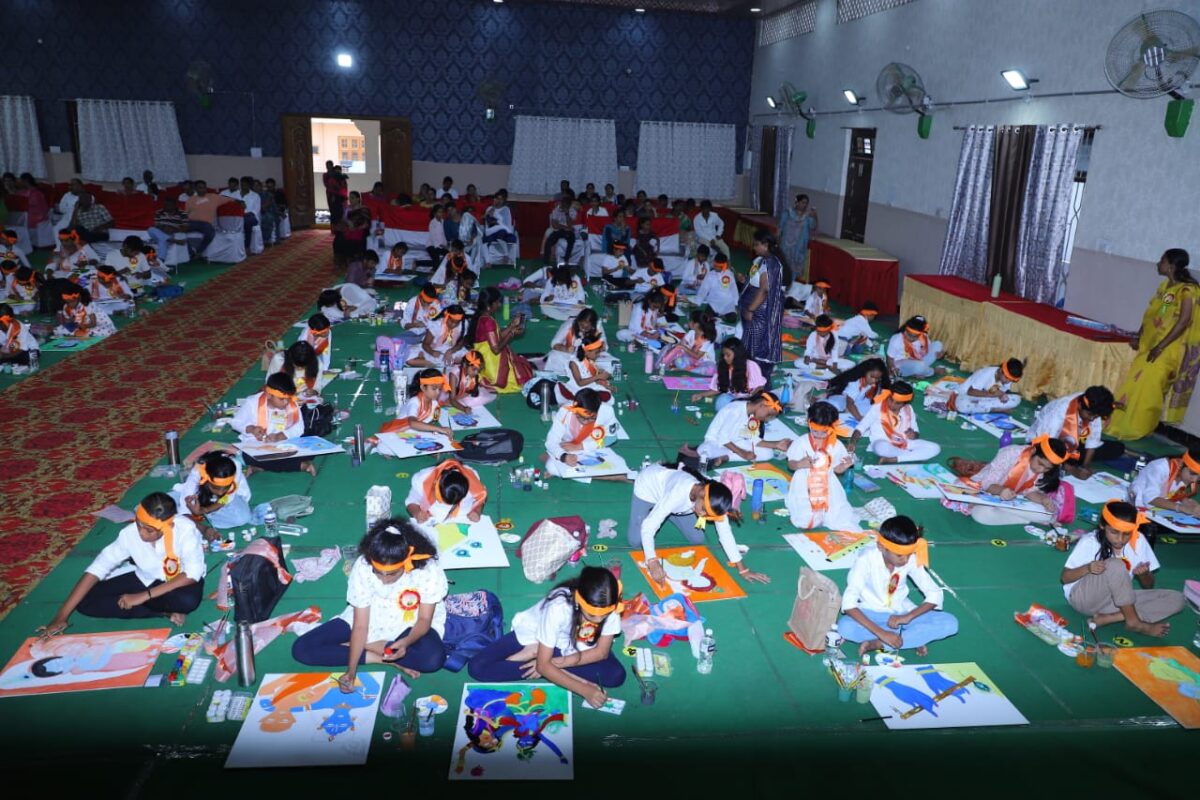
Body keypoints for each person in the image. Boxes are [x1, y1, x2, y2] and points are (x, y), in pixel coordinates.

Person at [293, 518, 448, 683]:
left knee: (433, 660)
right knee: (302, 649)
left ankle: (363, 645)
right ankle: (381, 657)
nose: (384, 579)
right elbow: (360, 625)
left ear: (406, 562)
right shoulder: (363, 566)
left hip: (411, 621)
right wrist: (351, 672)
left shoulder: (427, 569)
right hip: (373, 615)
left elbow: (424, 619)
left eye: (391, 573)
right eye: (378, 572)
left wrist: (406, 642)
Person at [37, 493, 206, 633]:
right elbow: (98, 567)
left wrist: (143, 596)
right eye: (139, 525)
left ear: (167, 526)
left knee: (187, 601)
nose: (142, 533)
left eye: (149, 530)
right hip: (146, 578)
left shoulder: (185, 529)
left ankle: (155, 605)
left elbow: (192, 574)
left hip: (179, 583)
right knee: (84, 602)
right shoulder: (129, 534)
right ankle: (164, 612)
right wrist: (61, 617)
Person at [467, 566, 626, 707]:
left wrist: (553, 664)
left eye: (604, 616)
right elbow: (543, 666)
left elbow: (601, 652)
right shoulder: (558, 606)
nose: (598, 620)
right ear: (578, 601)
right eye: (591, 615)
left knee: (616, 676)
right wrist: (583, 689)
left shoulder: (608, 604)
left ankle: (546, 662)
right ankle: (539, 654)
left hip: (572, 648)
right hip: (536, 637)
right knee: (478, 668)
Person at [1109, 249, 1199, 440]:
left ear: (1171, 266)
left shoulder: (1187, 291)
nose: (1158, 264)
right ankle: (1119, 424)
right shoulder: (1166, 287)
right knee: (1134, 385)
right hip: (1150, 346)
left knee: (1148, 391)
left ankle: (1138, 429)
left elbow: (1183, 321)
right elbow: (1156, 315)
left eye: (1162, 261)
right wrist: (1140, 336)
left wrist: (1160, 347)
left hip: (1168, 349)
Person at [837, 515, 958, 656]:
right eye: (900, 555)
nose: (905, 559)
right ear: (881, 547)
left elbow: (935, 593)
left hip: (902, 613)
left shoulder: (910, 559)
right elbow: (849, 603)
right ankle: (908, 638)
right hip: (871, 613)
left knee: (950, 623)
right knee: (845, 627)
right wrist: (881, 633)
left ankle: (879, 644)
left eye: (909, 554)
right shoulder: (865, 560)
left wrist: (908, 617)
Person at [628, 464, 769, 584]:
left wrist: (743, 569)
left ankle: (664, 512)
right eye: (703, 511)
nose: (702, 516)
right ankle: (661, 512)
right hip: (647, 488)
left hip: (674, 503)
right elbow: (648, 527)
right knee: (636, 541)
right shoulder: (677, 494)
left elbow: (725, 533)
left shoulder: (712, 499)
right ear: (701, 495)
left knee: (697, 538)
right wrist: (652, 561)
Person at [1061, 501, 1184, 637]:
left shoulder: (1139, 541)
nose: (1120, 539)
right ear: (1102, 526)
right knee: (1115, 565)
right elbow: (1065, 578)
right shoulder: (1090, 542)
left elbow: (1148, 586)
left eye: (1126, 534)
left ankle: (1112, 617)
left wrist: (1144, 574)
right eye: (1114, 532)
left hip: (1115, 602)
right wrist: (1088, 568)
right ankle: (1134, 622)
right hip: (1084, 599)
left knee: (1178, 599)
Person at [786, 402, 859, 531]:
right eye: (815, 431)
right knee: (805, 522)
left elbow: (837, 470)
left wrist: (844, 466)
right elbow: (790, 464)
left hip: (828, 486)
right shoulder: (801, 442)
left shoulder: (836, 445)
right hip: (804, 486)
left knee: (838, 519)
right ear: (809, 423)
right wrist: (799, 464)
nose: (819, 435)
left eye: (824, 432)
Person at [966, 435, 1069, 526]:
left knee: (1046, 515)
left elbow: (1029, 492)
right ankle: (1025, 519)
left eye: (1047, 468)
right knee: (980, 514)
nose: (1041, 470)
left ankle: (1007, 513)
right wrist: (1001, 491)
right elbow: (987, 484)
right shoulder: (1010, 453)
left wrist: (1043, 499)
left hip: (1012, 500)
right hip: (987, 491)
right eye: (1040, 463)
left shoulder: (1042, 470)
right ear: (1033, 451)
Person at [228, 372, 317, 476]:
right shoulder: (252, 402)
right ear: (269, 394)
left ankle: (259, 466)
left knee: (311, 441)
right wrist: (251, 429)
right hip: (257, 446)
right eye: (281, 399)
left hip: (284, 444)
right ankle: (301, 465)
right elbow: (236, 422)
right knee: (249, 457)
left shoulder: (291, 405)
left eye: (288, 398)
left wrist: (281, 435)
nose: (286, 403)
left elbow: (299, 427)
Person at [1028, 386, 1118, 476]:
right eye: (1090, 415)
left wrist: (1085, 466)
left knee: (1117, 448)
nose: (1092, 418)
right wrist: (1072, 470)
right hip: (1045, 443)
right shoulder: (1058, 411)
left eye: (1096, 416)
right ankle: (1065, 465)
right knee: (1049, 463)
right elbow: (1047, 445)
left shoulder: (1093, 408)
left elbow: (1093, 441)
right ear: (1080, 405)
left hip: (1072, 442)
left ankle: (1068, 463)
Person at [690, 389, 791, 465]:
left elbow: (753, 439)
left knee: (768, 453)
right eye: (768, 415)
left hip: (736, 443)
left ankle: (726, 457)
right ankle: (725, 455)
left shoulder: (754, 417)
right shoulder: (735, 410)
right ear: (762, 405)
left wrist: (776, 444)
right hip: (717, 442)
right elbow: (722, 438)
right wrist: (743, 453)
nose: (767, 419)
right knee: (705, 451)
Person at [170, 451, 252, 540]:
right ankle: (205, 513)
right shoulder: (197, 472)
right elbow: (184, 509)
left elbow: (227, 497)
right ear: (206, 480)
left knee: (242, 518)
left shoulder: (235, 467)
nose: (220, 493)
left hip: (229, 498)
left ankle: (206, 513)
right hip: (201, 493)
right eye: (215, 488)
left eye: (226, 487)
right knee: (167, 505)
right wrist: (203, 529)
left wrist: (205, 510)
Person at [850, 382, 940, 464]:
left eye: (897, 403)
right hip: (882, 443)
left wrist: (914, 435)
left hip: (905, 442)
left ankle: (893, 459)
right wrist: (852, 442)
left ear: (904, 404)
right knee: (881, 448)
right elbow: (861, 426)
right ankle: (914, 455)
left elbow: (916, 432)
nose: (892, 404)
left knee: (935, 448)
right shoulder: (878, 407)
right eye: (890, 400)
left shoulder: (908, 409)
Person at [740, 230, 789, 381]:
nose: (754, 247)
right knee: (752, 343)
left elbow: (764, 290)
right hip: (757, 304)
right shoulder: (762, 260)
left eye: (756, 244)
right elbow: (757, 282)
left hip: (761, 308)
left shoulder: (771, 263)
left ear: (766, 245)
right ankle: (753, 379)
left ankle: (760, 381)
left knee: (758, 345)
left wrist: (751, 309)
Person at [545, 388, 623, 477]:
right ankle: (607, 477)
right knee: (551, 466)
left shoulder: (607, 411)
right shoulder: (565, 411)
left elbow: (611, 438)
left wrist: (582, 446)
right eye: (581, 417)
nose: (585, 422)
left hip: (594, 448)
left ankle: (570, 474)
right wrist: (564, 456)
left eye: (592, 418)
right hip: (568, 449)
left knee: (618, 464)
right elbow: (551, 441)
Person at [469, 287, 532, 392]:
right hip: (491, 361)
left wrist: (511, 326)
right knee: (520, 378)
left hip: (486, 355)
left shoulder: (484, 316)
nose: (499, 305)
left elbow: (496, 336)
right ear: (491, 304)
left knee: (523, 369)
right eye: (498, 302)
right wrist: (511, 333)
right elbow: (496, 349)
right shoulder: (488, 321)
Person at [690, 337, 766, 411]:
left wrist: (750, 399)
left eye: (728, 355)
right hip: (733, 399)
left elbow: (760, 387)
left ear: (737, 354)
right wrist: (701, 395)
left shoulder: (751, 366)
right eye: (723, 355)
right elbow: (719, 388)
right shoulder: (724, 367)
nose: (725, 358)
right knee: (721, 402)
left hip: (750, 400)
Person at [405, 459, 487, 523]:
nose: (452, 506)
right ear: (437, 488)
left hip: (464, 519)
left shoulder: (473, 480)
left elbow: (481, 498)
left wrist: (477, 511)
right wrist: (417, 513)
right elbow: (412, 500)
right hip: (433, 518)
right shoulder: (423, 480)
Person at [1129, 445, 1200, 515]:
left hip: (1157, 509)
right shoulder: (1159, 467)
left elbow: (1175, 493)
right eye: (1192, 473)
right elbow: (1150, 498)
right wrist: (1181, 508)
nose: (1194, 480)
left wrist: (1189, 503)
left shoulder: (1185, 475)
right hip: (1135, 504)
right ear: (1181, 463)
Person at [825, 358, 890, 423]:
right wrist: (859, 418)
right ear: (865, 372)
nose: (874, 380)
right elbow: (849, 403)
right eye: (872, 376)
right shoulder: (855, 383)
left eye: (877, 378)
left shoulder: (875, 384)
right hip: (844, 402)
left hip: (858, 402)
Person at [656, 307, 717, 375]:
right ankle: (687, 368)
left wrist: (683, 347)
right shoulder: (691, 333)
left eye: (690, 321)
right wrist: (671, 353)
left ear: (696, 324)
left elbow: (697, 356)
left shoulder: (706, 339)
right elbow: (680, 345)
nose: (688, 322)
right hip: (691, 359)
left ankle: (687, 369)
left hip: (704, 362)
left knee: (711, 370)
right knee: (678, 361)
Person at [545, 308, 607, 375]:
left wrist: (596, 349)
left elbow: (604, 345)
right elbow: (554, 343)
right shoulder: (570, 324)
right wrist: (566, 349)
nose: (583, 329)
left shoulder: (597, 326)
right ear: (578, 321)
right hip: (571, 356)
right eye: (581, 325)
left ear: (592, 326)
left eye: (587, 327)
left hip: (589, 358)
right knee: (553, 355)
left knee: (605, 360)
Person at [557, 333, 615, 403]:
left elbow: (591, 377)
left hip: (587, 386)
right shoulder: (573, 363)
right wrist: (598, 376)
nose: (598, 355)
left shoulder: (588, 359)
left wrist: (606, 386)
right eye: (596, 352)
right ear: (586, 352)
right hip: (576, 388)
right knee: (605, 397)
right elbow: (580, 382)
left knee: (607, 395)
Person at [952, 358, 1023, 415]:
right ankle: (996, 410)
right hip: (966, 395)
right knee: (962, 405)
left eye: (1011, 380)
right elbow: (970, 391)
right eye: (1007, 378)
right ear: (1001, 370)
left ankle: (983, 408)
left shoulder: (1005, 380)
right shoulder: (987, 373)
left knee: (1016, 399)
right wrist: (994, 394)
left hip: (984, 399)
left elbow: (991, 391)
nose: (1008, 381)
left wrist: (1001, 395)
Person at [398, 369, 456, 436]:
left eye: (440, 389)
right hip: (400, 432)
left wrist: (437, 431)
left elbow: (433, 421)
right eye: (434, 389)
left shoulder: (435, 404)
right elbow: (412, 423)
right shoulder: (414, 402)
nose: (438, 392)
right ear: (423, 387)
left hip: (417, 434)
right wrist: (439, 429)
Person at [184, 180, 232, 258]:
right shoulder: (191, 200)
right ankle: (191, 251)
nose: (203, 190)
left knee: (210, 233)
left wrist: (239, 201)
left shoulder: (213, 197)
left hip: (205, 224)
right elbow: (186, 214)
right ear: (196, 189)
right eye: (200, 188)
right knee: (178, 231)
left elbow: (228, 199)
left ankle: (199, 252)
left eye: (204, 188)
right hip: (192, 222)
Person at [779, 194, 818, 282]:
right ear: (796, 202)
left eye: (806, 203)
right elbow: (779, 229)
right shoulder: (787, 213)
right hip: (785, 246)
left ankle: (790, 285)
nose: (805, 205)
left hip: (798, 248)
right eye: (803, 202)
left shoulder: (807, 217)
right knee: (783, 266)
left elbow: (813, 226)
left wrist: (815, 216)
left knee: (794, 269)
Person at [694, 252, 740, 319]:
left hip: (727, 304)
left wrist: (736, 303)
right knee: (706, 318)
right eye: (715, 265)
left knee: (732, 318)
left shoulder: (729, 274)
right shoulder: (710, 275)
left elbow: (734, 289)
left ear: (724, 266)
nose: (716, 268)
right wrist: (697, 302)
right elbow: (704, 289)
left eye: (719, 267)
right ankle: (718, 316)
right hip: (713, 304)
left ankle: (721, 316)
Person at [147, 195, 190, 260]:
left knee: (162, 240)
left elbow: (185, 228)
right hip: (161, 232)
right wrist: (163, 228)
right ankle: (173, 240)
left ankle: (161, 259)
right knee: (150, 229)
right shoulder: (159, 212)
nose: (166, 207)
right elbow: (156, 225)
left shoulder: (182, 214)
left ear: (174, 205)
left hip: (173, 234)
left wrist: (174, 229)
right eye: (165, 205)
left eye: (169, 205)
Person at [543, 192, 578, 267]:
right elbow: (554, 225)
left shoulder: (572, 211)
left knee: (571, 239)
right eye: (563, 203)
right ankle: (546, 262)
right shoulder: (556, 210)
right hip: (559, 231)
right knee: (549, 241)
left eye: (566, 204)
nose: (564, 206)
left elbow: (570, 225)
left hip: (568, 232)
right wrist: (565, 227)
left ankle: (566, 260)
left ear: (569, 205)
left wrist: (567, 214)